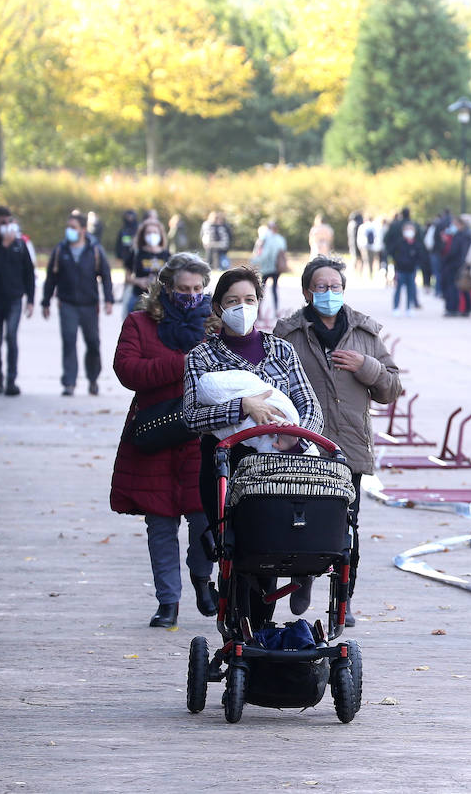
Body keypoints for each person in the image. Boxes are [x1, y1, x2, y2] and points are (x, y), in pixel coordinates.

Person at [183, 266, 322, 630]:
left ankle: (262, 628)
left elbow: (309, 405)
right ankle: (238, 627)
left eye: (248, 300)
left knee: (272, 545)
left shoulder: (281, 350)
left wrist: (296, 435)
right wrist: (242, 406)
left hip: (281, 464)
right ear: (217, 307)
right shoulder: (202, 357)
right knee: (238, 550)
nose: (241, 308)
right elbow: (191, 417)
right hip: (227, 464)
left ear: (260, 303)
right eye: (232, 301)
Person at [275, 256, 403, 627]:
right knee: (300, 519)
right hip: (302, 447)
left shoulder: (364, 331)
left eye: (335, 287)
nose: (329, 293)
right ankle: (303, 578)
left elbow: (391, 388)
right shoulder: (289, 332)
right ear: (306, 291)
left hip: (348, 448)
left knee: (347, 525)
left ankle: (343, 601)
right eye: (321, 287)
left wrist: (368, 366)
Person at [110, 254, 218, 629]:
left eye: (197, 289)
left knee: (204, 520)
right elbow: (127, 370)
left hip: (200, 436)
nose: (190, 295)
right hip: (155, 436)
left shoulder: (214, 325)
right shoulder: (140, 323)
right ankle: (168, 602)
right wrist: (181, 364)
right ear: (166, 288)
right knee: (160, 525)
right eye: (182, 289)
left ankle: (203, 582)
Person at [41, 212, 115, 396]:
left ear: (83, 229)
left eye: (73, 227)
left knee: (92, 343)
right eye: (68, 227)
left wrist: (108, 299)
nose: (69, 231)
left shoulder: (95, 250)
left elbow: (105, 275)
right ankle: (69, 382)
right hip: (67, 304)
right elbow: (51, 277)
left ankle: (92, 379)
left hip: (89, 305)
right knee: (69, 341)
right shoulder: (61, 250)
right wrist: (46, 301)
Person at [0, 206, 36, 396]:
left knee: (11, 337)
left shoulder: (20, 244)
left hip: (14, 299)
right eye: (2, 223)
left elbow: (29, 272)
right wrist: (4, 245)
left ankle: (11, 381)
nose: (7, 226)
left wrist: (30, 299)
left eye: (9, 222)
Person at [125, 218, 171, 315]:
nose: (152, 235)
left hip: (160, 299)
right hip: (139, 297)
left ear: (160, 234)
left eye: (154, 232)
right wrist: (139, 281)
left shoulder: (167, 255)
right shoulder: (136, 253)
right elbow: (127, 277)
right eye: (148, 233)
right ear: (143, 235)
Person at [252, 220, 288, 320]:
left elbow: (259, 253)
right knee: (273, 289)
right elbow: (283, 252)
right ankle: (275, 311)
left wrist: (254, 262)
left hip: (267, 268)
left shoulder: (264, 238)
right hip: (275, 268)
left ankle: (259, 312)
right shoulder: (280, 239)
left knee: (262, 289)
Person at [442, 214, 471, 316]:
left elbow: (456, 251)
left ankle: (454, 308)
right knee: (461, 287)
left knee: (455, 287)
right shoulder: (464, 234)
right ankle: (465, 309)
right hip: (458, 264)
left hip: (456, 264)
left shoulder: (462, 235)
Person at [392, 220, 426, 316]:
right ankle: (396, 307)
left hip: (411, 270)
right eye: (407, 230)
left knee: (410, 289)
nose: (409, 232)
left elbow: (420, 256)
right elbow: (394, 255)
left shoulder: (417, 244)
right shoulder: (399, 243)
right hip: (400, 270)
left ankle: (409, 308)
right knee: (398, 289)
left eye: (411, 230)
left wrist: (416, 265)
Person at [115, 210, 140, 278]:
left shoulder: (138, 228)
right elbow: (119, 243)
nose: (129, 218)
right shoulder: (123, 229)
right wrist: (119, 256)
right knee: (128, 274)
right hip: (126, 255)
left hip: (137, 255)